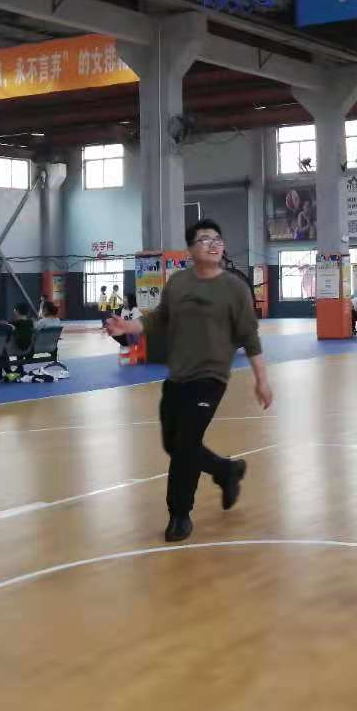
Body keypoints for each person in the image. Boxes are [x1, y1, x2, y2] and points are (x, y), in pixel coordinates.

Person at [107, 219, 272, 543]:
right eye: (204, 239)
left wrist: (261, 380)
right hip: (177, 376)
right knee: (173, 444)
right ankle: (226, 471)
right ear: (191, 250)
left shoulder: (235, 288)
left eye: (217, 239)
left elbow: (249, 336)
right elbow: (160, 319)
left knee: (185, 445)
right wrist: (130, 328)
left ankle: (179, 514)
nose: (213, 244)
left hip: (211, 377)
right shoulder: (178, 283)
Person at [9, 302, 36, 377]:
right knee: (22, 339)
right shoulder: (31, 323)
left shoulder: (13, 323)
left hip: (14, 349)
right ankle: (19, 367)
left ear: (16, 312)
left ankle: (4, 371)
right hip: (29, 350)